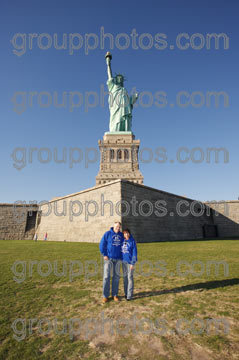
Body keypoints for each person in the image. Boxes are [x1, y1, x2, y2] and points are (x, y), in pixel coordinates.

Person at [99, 221, 124, 303]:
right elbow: (102, 244)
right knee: (106, 277)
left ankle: (115, 294)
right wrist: (104, 254)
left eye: (119, 227)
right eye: (116, 226)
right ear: (113, 226)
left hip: (118, 259)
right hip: (109, 258)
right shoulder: (108, 234)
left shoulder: (121, 235)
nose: (118, 228)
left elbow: (124, 245)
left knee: (116, 277)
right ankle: (105, 296)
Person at [121, 229, 137, 301]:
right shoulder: (122, 241)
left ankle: (129, 295)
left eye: (127, 233)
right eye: (124, 233)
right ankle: (126, 293)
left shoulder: (132, 241)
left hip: (130, 262)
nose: (126, 235)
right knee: (125, 278)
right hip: (123, 262)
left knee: (130, 278)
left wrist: (132, 263)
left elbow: (134, 253)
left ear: (129, 234)